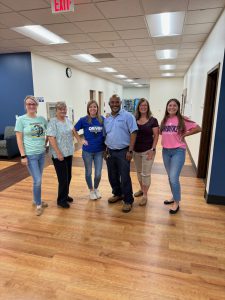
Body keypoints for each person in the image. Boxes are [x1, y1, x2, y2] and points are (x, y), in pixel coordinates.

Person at [160, 98, 201, 214]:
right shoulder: (164, 120)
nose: (172, 107)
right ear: (167, 107)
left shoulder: (182, 120)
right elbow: (161, 132)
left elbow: (198, 128)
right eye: (170, 105)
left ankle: (177, 202)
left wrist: (185, 134)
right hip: (165, 151)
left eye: (174, 106)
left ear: (178, 108)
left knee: (173, 178)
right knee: (170, 177)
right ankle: (174, 196)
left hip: (178, 151)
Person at [104, 94, 138, 213]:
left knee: (124, 177)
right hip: (110, 151)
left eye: (117, 102)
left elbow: (134, 133)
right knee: (112, 176)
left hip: (124, 152)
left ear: (120, 103)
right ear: (109, 104)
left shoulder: (128, 116)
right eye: (112, 102)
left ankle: (128, 200)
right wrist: (105, 149)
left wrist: (130, 150)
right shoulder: (107, 119)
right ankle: (117, 194)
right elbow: (106, 135)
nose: (114, 104)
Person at [15, 95, 48, 216]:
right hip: (30, 155)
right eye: (29, 104)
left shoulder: (42, 119)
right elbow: (19, 139)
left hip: (41, 154)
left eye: (33, 104)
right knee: (38, 180)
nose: (31, 106)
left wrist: (45, 145)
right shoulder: (21, 120)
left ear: (36, 105)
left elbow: (48, 133)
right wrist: (23, 156)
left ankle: (36, 199)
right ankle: (38, 204)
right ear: (25, 106)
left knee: (37, 180)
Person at [73, 100, 105, 200]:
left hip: (99, 151)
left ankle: (96, 188)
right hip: (87, 151)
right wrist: (80, 140)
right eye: (90, 107)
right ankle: (91, 190)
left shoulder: (102, 119)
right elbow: (74, 129)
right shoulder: (84, 120)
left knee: (98, 173)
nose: (93, 109)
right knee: (88, 172)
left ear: (97, 108)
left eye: (94, 107)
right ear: (88, 109)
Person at [47, 102, 74, 209]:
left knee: (69, 176)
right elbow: (51, 137)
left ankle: (65, 195)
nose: (63, 110)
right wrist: (58, 152)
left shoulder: (67, 120)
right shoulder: (52, 122)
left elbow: (73, 131)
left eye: (64, 109)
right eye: (60, 109)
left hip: (68, 153)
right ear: (56, 110)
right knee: (63, 178)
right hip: (59, 155)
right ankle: (61, 200)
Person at [133, 98, 159, 206]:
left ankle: (145, 195)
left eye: (145, 105)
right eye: (141, 105)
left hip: (148, 151)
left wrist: (153, 150)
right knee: (139, 173)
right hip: (136, 151)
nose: (143, 107)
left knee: (146, 174)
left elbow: (156, 135)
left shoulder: (153, 120)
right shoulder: (134, 119)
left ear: (148, 107)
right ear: (138, 107)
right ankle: (141, 189)